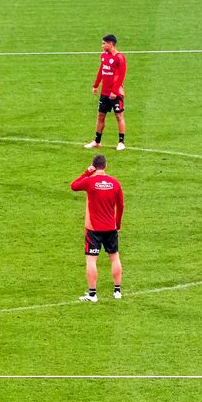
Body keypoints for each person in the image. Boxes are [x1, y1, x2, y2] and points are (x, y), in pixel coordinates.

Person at [70, 155, 125, 301]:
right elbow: (121, 206)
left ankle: (93, 294)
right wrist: (118, 224)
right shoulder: (115, 183)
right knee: (114, 257)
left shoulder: (89, 181)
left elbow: (74, 186)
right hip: (111, 228)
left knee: (91, 261)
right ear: (105, 166)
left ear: (94, 166)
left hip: (93, 230)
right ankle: (117, 291)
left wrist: (87, 172)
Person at [86, 34, 127, 151]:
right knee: (100, 116)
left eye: (104, 43)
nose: (102, 45)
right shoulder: (103, 55)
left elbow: (121, 76)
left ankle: (121, 142)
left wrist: (114, 91)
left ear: (110, 44)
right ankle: (97, 141)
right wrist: (96, 85)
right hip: (104, 92)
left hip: (116, 93)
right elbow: (101, 70)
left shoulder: (120, 57)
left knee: (119, 116)